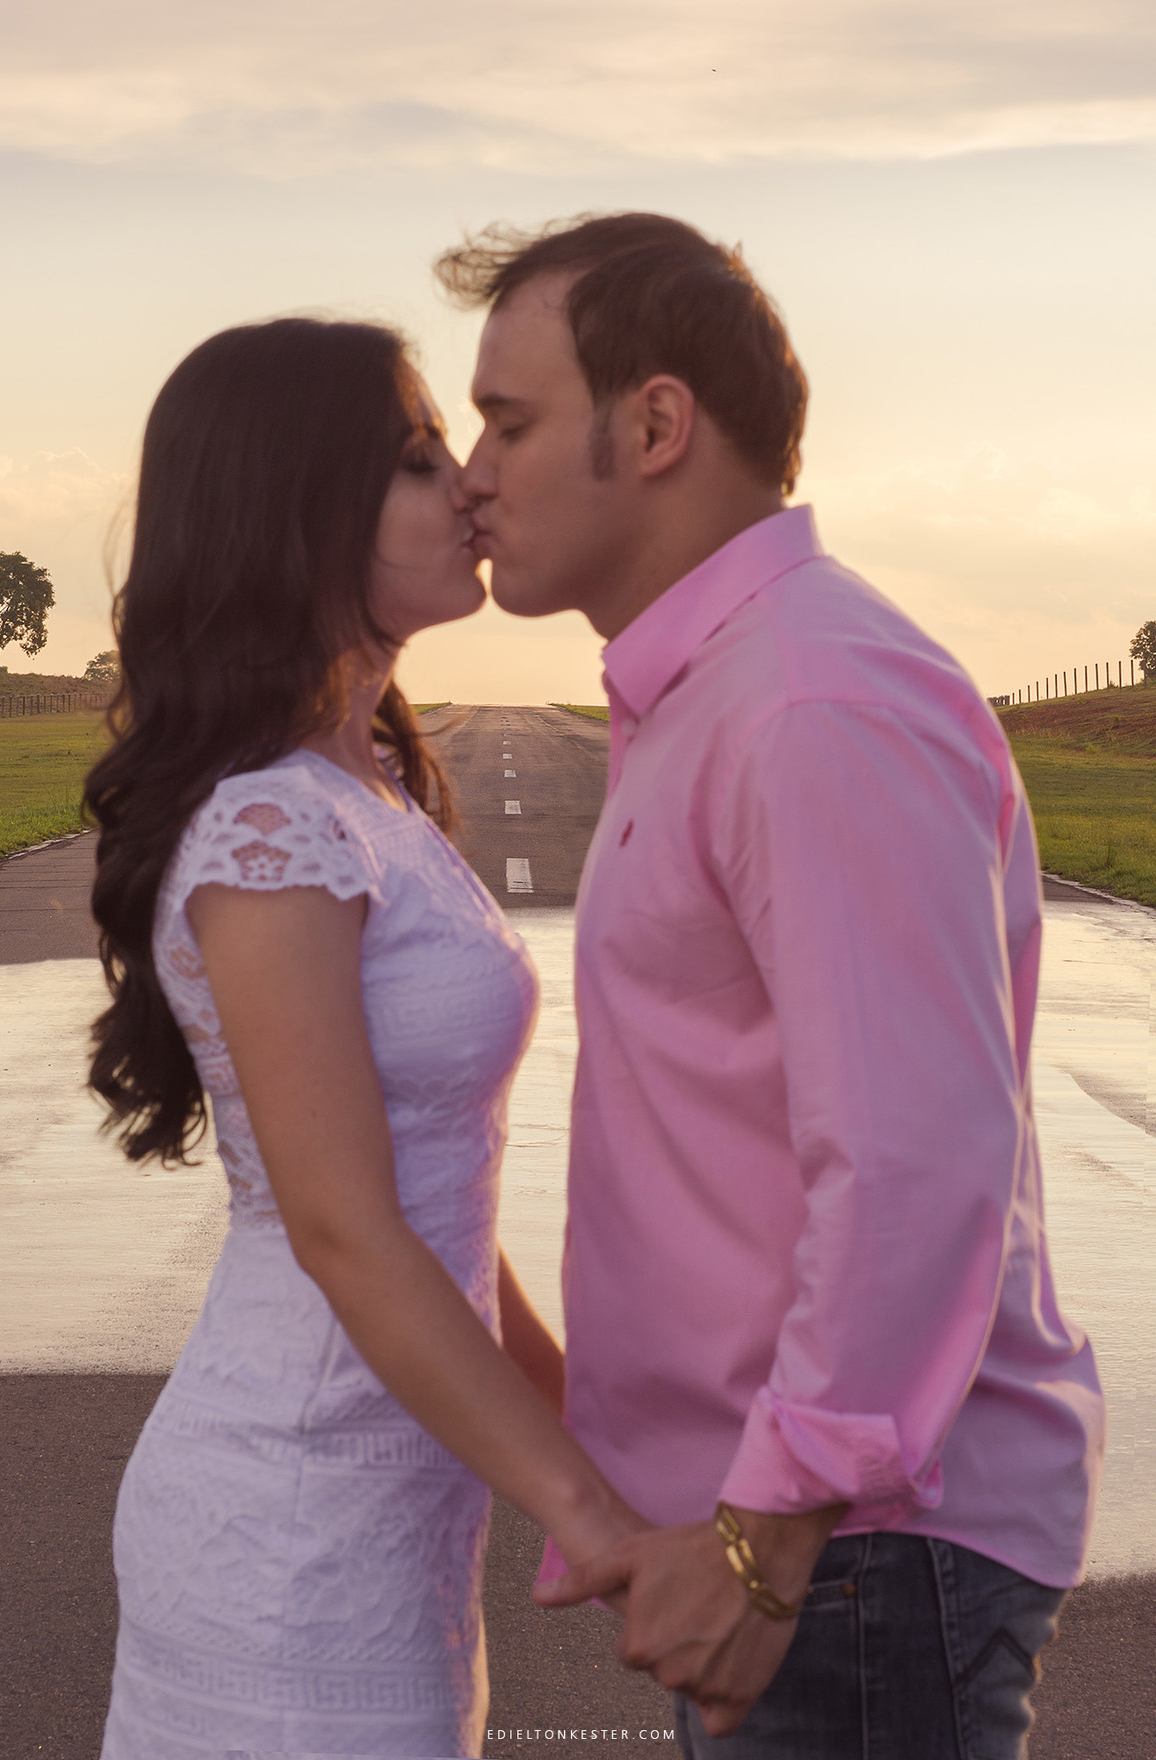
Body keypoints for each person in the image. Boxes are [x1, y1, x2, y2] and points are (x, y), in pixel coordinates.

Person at [437, 214, 1105, 1759]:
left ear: (656, 424)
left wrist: (768, 1531)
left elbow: (913, 1158)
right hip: (808, 1543)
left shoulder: (812, 700)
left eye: (509, 422)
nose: (473, 473)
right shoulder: (723, 690)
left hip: (850, 1555)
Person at [85, 317, 643, 1759]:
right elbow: (344, 1229)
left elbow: (444, 1219)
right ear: (295, 511)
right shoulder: (269, 821)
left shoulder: (370, 788)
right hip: (283, 1540)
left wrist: (604, 1452)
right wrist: (585, 1509)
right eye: (414, 457)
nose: (469, 482)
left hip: (385, 1527)